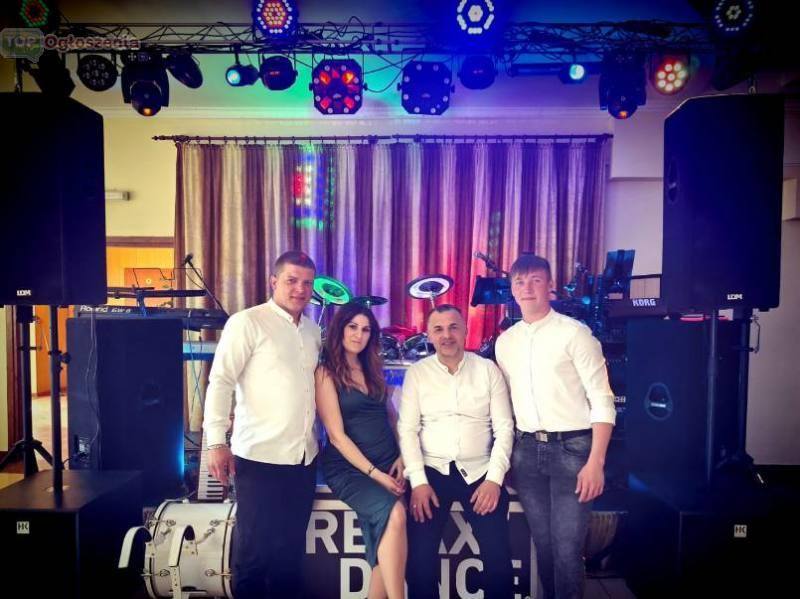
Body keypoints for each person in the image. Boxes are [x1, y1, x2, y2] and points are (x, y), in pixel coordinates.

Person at [494, 254, 616, 599]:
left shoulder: (576, 334)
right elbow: (506, 404)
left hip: (573, 450)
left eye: (535, 280)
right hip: (526, 451)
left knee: (567, 549)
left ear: (550, 285)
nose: (527, 288)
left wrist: (596, 462)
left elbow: (602, 400)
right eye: (520, 282)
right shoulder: (505, 343)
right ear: (512, 290)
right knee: (544, 546)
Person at [203, 250, 320, 599]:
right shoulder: (247, 322)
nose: (300, 289)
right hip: (259, 457)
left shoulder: (313, 331)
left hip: (303, 459)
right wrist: (216, 442)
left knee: (290, 554)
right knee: (253, 555)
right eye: (292, 280)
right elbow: (221, 381)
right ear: (273, 281)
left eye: (307, 283)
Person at [398, 304, 515, 599]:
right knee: (419, 563)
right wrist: (418, 483)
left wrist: (494, 480)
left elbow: (504, 429)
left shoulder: (488, 370)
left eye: (453, 327)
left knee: (498, 559)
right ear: (429, 335)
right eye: (438, 329)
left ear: (465, 330)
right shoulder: (417, 374)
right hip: (431, 473)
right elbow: (407, 430)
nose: (446, 335)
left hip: (480, 473)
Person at [315, 302, 408, 599]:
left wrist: (403, 455)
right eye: (353, 327)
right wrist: (377, 475)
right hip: (349, 468)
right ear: (340, 330)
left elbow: (391, 417)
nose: (359, 335)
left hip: (389, 462)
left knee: (387, 532)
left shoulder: (372, 368)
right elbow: (337, 437)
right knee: (394, 516)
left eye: (366, 330)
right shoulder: (325, 373)